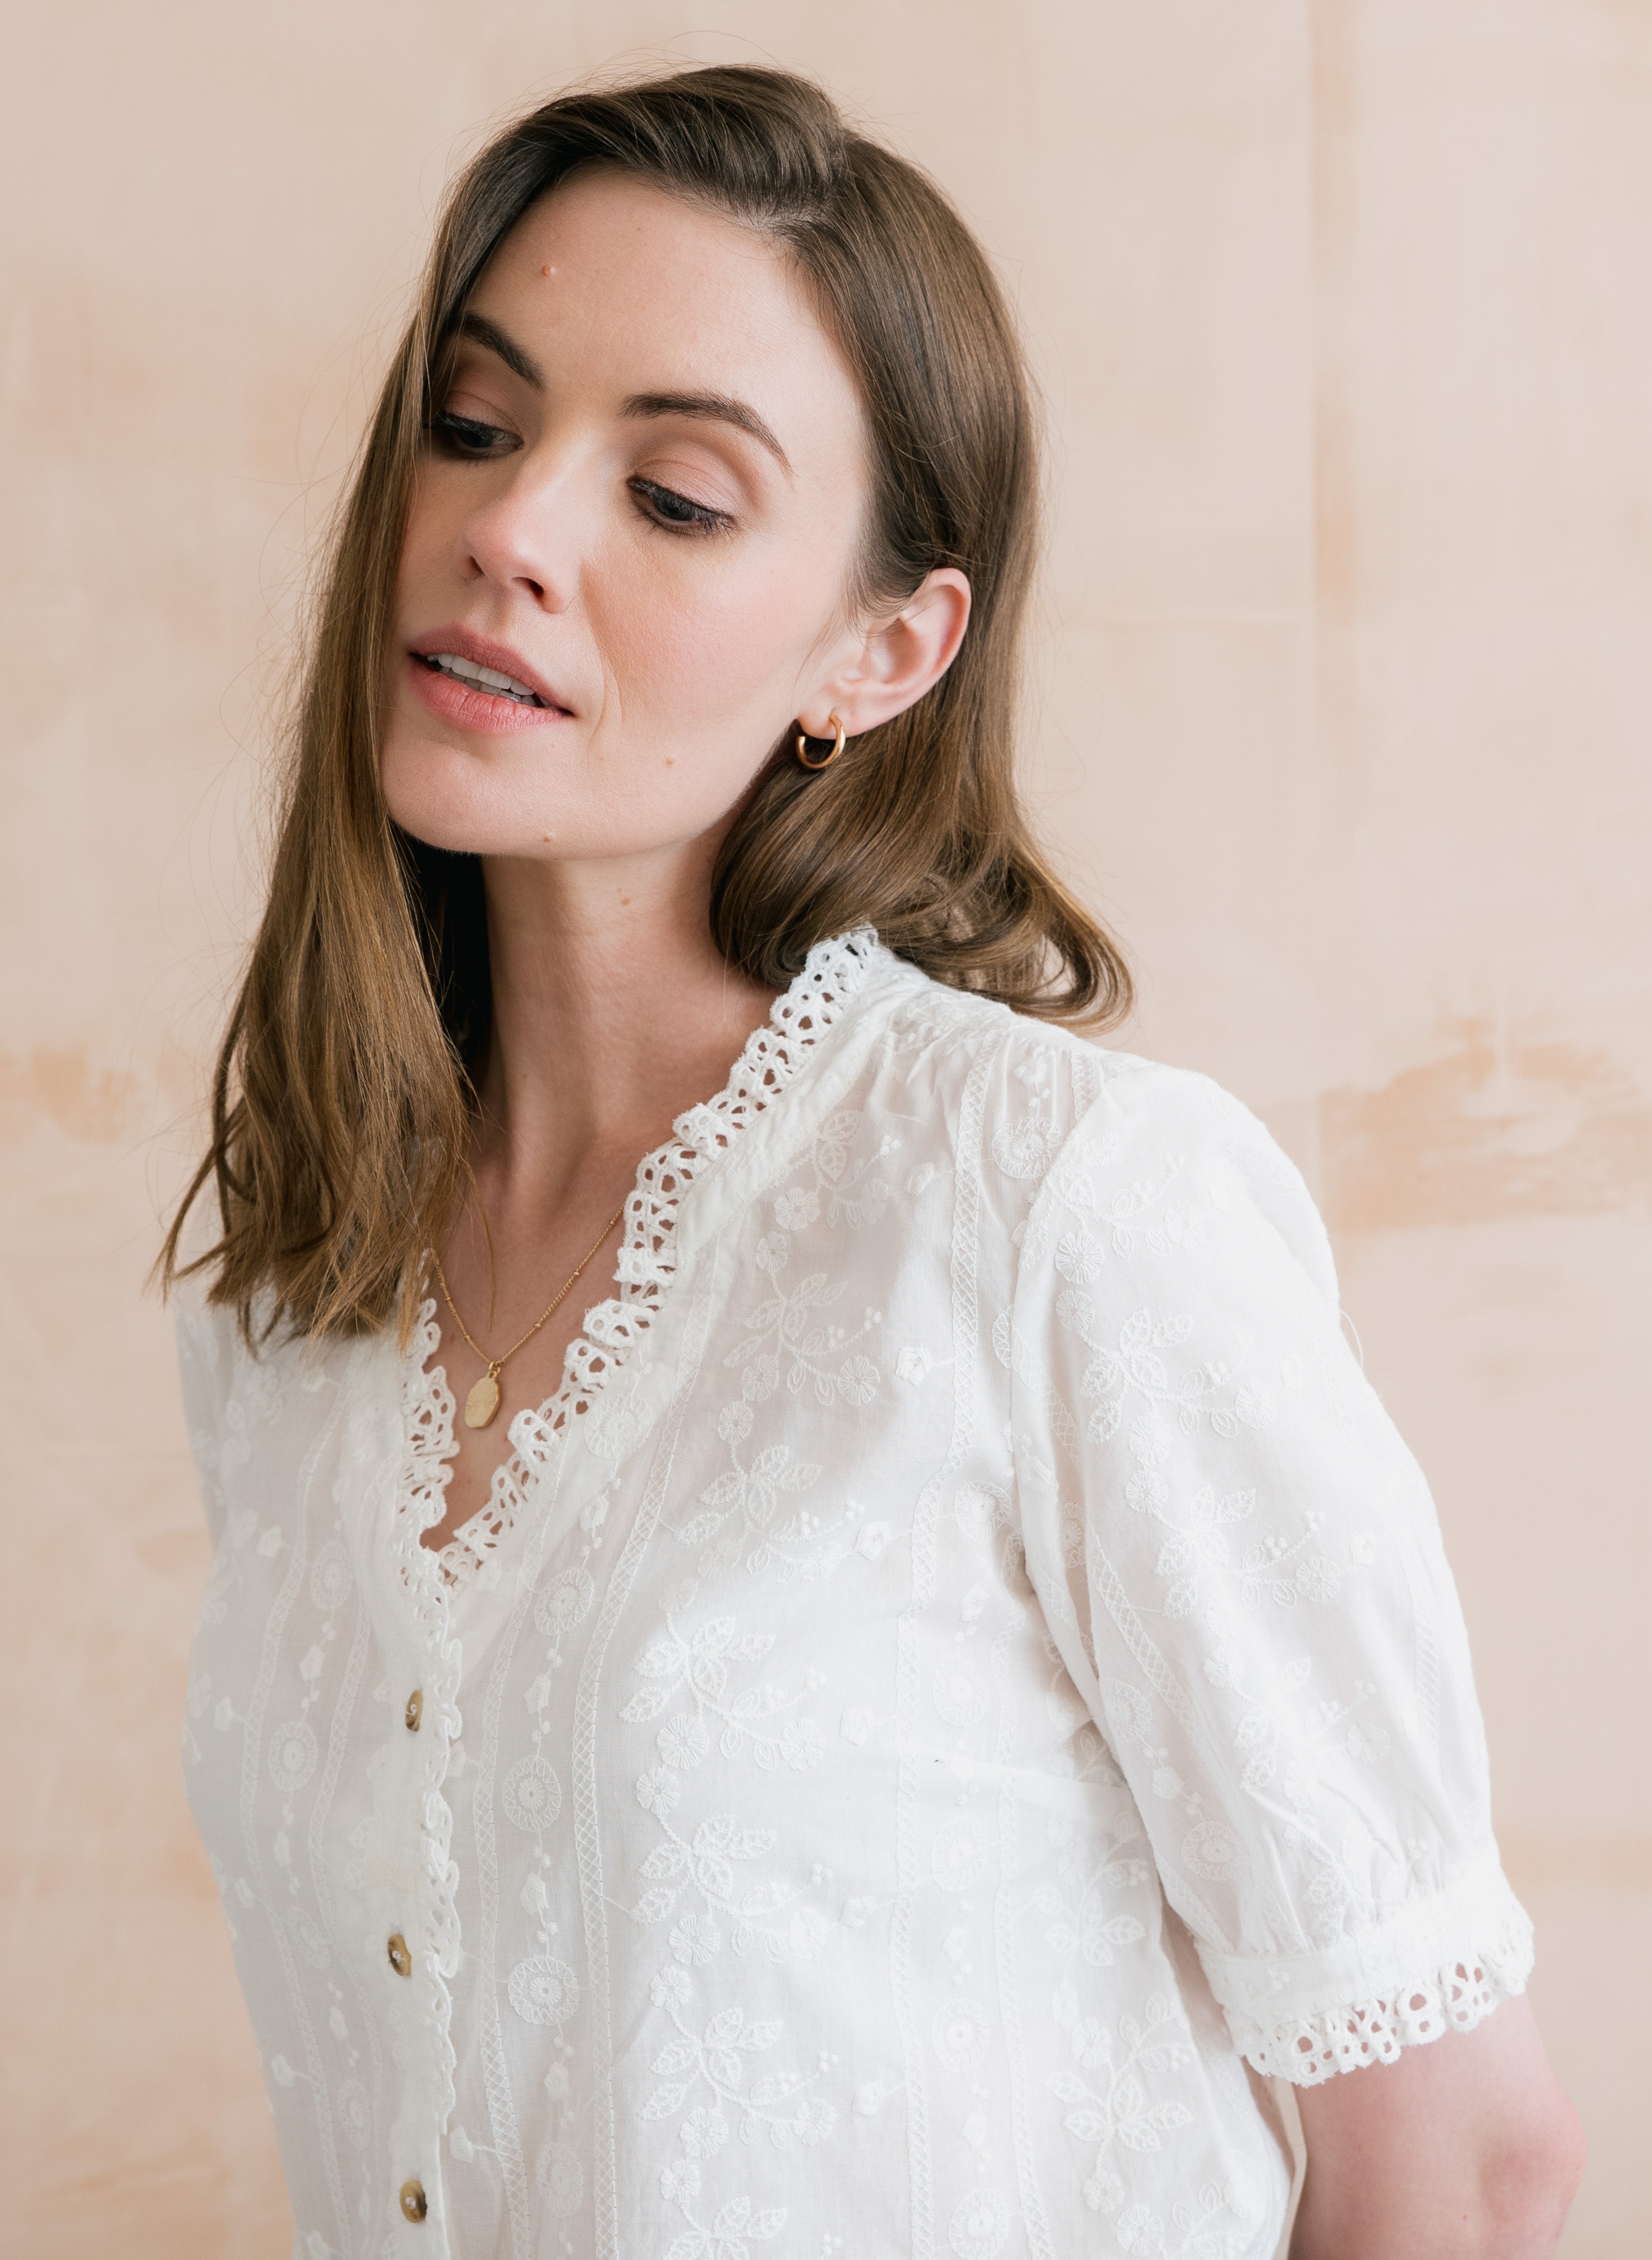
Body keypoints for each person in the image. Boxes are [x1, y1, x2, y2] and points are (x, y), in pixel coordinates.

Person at [164, 64, 1584, 2260]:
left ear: (880, 649)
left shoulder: (1058, 1219)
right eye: (473, 421)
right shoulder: (290, 1291)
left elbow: (1467, 2175)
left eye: (675, 495)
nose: (512, 528)